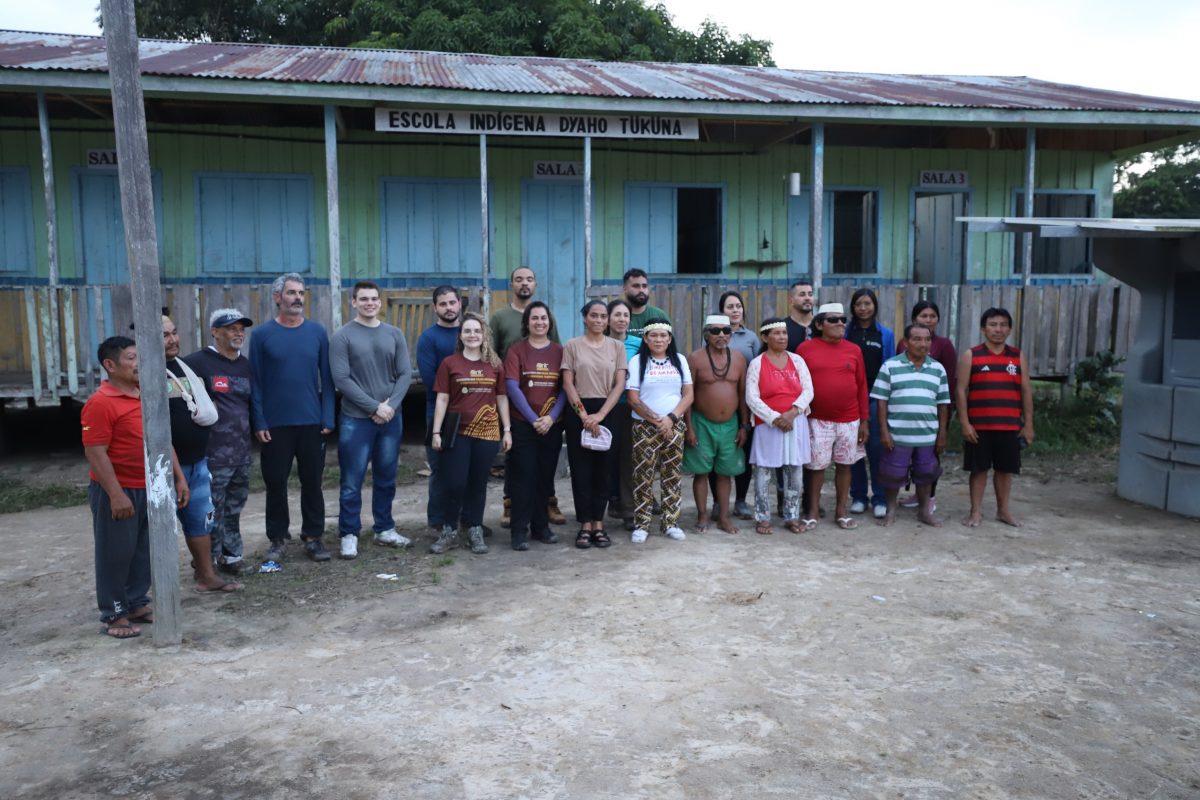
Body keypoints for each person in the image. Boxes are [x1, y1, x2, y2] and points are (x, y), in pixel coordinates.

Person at [82, 337, 189, 638]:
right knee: (116, 553)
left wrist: (178, 478)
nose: (139, 362)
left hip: (152, 486)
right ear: (110, 365)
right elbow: (95, 452)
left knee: (145, 550)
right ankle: (115, 614)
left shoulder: (148, 393)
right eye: (131, 358)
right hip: (119, 490)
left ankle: (136, 603)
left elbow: (163, 439)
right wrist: (116, 495)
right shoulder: (100, 402)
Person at [249, 272, 336, 563]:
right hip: (275, 425)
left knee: (312, 482)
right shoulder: (261, 335)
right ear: (277, 297)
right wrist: (259, 420)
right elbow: (255, 382)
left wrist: (328, 416)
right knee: (276, 483)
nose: (297, 298)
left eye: (301, 293)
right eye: (291, 293)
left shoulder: (317, 332)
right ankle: (277, 539)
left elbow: (327, 378)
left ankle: (313, 537)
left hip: (311, 422)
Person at [330, 281, 413, 559]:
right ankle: (349, 533)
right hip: (356, 420)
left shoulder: (394, 333)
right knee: (352, 481)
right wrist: (374, 407)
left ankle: (384, 528)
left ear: (380, 302)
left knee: (386, 477)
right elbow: (342, 379)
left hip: (391, 418)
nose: (369, 303)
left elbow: (405, 374)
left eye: (374, 298)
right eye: (363, 299)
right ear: (353, 302)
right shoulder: (342, 336)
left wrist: (390, 407)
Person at [163, 314, 240, 592]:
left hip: (197, 463)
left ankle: (206, 576)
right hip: (168, 467)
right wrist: (176, 475)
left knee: (201, 520)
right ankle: (155, 590)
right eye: (164, 335)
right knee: (160, 527)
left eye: (174, 332)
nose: (173, 339)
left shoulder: (186, 367)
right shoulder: (146, 373)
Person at [429, 313, 512, 554]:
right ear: (460, 336)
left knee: (478, 483)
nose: (472, 335)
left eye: (477, 331)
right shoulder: (449, 363)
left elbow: (501, 398)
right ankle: (449, 531)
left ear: (484, 335)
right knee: (454, 483)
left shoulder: (495, 365)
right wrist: (436, 431)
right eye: (467, 331)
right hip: (457, 433)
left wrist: (507, 430)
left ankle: (475, 529)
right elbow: (442, 399)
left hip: (487, 432)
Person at [489, 266, 564, 529]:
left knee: (546, 458)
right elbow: (491, 354)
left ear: (535, 284)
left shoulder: (546, 316)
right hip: (513, 398)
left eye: (529, 279)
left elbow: (557, 355)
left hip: (546, 402)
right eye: (519, 279)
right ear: (511, 284)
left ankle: (547, 503)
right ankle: (510, 504)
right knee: (515, 456)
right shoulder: (499, 317)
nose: (524, 283)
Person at [184, 308, 254, 577]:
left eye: (241, 329)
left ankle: (232, 555)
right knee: (210, 510)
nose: (238, 333)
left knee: (234, 508)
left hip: (241, 452)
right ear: (215, 332)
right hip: (212, 453)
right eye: (231, 328)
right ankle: (206, 562)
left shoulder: (246, 365)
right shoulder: (195, 363)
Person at [956, 307, 1034, 528]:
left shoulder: (1017, 356)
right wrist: (964, 423)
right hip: (979, 426)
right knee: (978, 469)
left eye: (1003, 325)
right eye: (992, 325)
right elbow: (960, 390)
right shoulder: (971, 355)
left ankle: (1003, 511)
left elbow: (1026, 391)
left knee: (1005, 470)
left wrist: (1028, 425)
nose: (998, 329)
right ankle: (975, 512)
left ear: (1009, 329)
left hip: (1009, 425)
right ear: (983, 329)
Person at [797, 302, 869, 531]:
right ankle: (812, 511)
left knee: (845, 465)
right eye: (833, 320)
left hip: (849, 419)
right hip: (816, 419)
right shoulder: (805, 349)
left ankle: (841, 511)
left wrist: (864, 420)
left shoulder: (854, 350)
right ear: (819, 324)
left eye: (843, 320)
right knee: (816, 467)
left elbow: (861, 385)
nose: (840, 323)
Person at [562, 300, 627, 549]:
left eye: (603, 316)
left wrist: (600, 414)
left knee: (604, 469)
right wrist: (583, 416)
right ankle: (585, 524)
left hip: (608, 410)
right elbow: (568, 383)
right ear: (585, 318)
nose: (599, 320)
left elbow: (619, 384)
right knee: (581, 470)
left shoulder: (617, 347)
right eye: (594, 316)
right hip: (578, 411)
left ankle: (599, 523)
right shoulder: (572, 346)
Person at [871, 323, 950, 527]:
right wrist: (884, 431)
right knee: (892, 474)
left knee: (926, 474)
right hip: (897, 435)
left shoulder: (938, 369)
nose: (923, 344)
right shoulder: (890, 366)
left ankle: (924, 511)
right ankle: (891, 511)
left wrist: (942, 433)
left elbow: (943, 403)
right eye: (917, 339)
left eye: (927, 339)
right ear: (906, 342)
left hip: (927, 436)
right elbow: (881, 401)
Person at [503, 301, 565, 550]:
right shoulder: (516, 350)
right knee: (523, 477)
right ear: (527, 323)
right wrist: (533, 419)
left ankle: (541, 527)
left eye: (544, 318)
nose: (540, 322)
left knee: (544, 478)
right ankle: (519, 530)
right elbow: (511, 386)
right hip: (523, 424)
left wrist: (551, 417)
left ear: (550, 323)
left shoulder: (560, 351)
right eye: (535, 318)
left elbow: (565, 389)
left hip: (551, 425)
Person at [626, 319, 694, 543]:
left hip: (674, 425)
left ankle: (670, 523)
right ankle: (642, 524)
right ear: (645, 339)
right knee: (643, 476)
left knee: (672, 475)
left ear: (670, 339)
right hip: (644, 426)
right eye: (653, 336)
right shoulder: (637, 361)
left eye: (663, 335)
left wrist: (671, 419)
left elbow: (688, 395)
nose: (658, 340)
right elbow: (633, 399)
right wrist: (658, 421)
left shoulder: (679, 360)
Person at [745, 318, 814, 534]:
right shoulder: (757, 363)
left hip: (795, 422)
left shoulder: (797, 361)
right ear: (765, 338)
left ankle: (792, 515)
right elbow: (752, 397)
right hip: (768, 424)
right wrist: (775, 418)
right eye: (776, 333)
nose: (782, 337)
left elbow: (808, 390)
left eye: (784, 333)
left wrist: (792, 413)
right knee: (764, 470)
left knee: (794, 469)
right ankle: (763, 517)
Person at [684, 314, 748, 534]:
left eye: (726, 331)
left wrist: (744, 426)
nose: (721, 335)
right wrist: (689, 428)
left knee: (725, 473)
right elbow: (687, 395)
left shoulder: (739, 359)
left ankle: (723, 517)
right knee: (701, 472)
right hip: (701, 423)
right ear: (706, 334)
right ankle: (702, 515)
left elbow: (742, 394)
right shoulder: (695, 358)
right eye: (715, 331)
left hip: (730, 425)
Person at [896, 300, 958, 512]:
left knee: (931, 455)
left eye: (932, 316)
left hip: (934, 410)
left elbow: (949, 380)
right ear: (915, 319)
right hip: (906, 411)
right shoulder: (903, 343)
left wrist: (946, 413)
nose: (928, 320)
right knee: (910, 454)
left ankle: (929, 497)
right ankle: (916, 493)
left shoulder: (944, 345)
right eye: (924, 316)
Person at [845, 288, 896, 518]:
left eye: (867, 303)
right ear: (853, 307)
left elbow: (890, 367)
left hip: (876, 397)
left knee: (876, 448)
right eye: (859, 304)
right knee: (853, 448)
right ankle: (858, 496)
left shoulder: (885, 334)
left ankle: (880, 497)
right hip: (850, 397)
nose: (863, 308)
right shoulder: (847, 333)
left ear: (874, 306)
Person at [416, 286, 462, 533]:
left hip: (471, 411)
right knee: (440, 469)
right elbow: (429, 378)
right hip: (438, 411)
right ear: (435, 308)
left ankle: (466, 519)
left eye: (452, 302)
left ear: (460, 304)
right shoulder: (428, 338)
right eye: (443, 304)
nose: (449, 308)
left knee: (466, 468)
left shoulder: (470, 333)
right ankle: (437, 521)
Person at [716, 290, 760, 519]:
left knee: (743, 453)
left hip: (745, 405)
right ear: (721, 311)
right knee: (718, 455)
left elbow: (759, 368)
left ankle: (741, 501)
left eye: (738, 306)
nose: (735, 310)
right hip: (718, 404)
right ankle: (718, 502)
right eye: (729, 307)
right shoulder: (714, 334)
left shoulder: (751, 338)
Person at [605, 298, 641, 530]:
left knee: (629, 460)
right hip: (604, 408)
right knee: (605, 459)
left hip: (630, 407)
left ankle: (629, 510)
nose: (621, 319)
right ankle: (605, 505)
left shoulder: (638, 344)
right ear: (608, 319)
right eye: (617, 315)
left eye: (625, 315)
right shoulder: (599, 343)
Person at [622, 268, 669, 337]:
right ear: (625, 289)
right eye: (636, 286)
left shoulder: (660, 316)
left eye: (644, 286)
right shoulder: (617, 317)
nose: (641, 290)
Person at [785, 280, 816, 352]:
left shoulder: (822, 326)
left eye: (810, 294)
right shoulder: (783, 328)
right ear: (791, 301)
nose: (807, 298)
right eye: (802, 295)